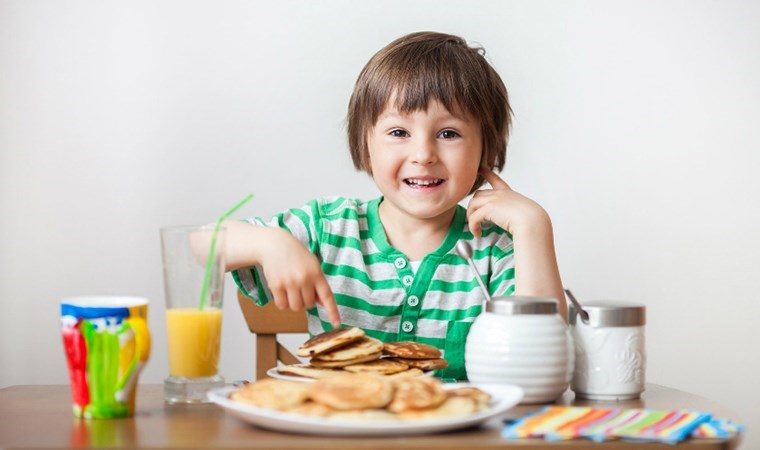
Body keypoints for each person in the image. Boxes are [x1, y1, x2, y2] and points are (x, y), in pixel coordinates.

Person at [222, 31, 564, 380]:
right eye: (399, 132)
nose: (422, 155)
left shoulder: (497, 249)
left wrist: (533, 228)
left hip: (461, 431)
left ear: (485, 150)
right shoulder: (327, 227)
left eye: (448, 133)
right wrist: (270, 243)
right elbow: (198, 247)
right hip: (341, 427)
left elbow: (543, 364)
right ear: (364, 142)